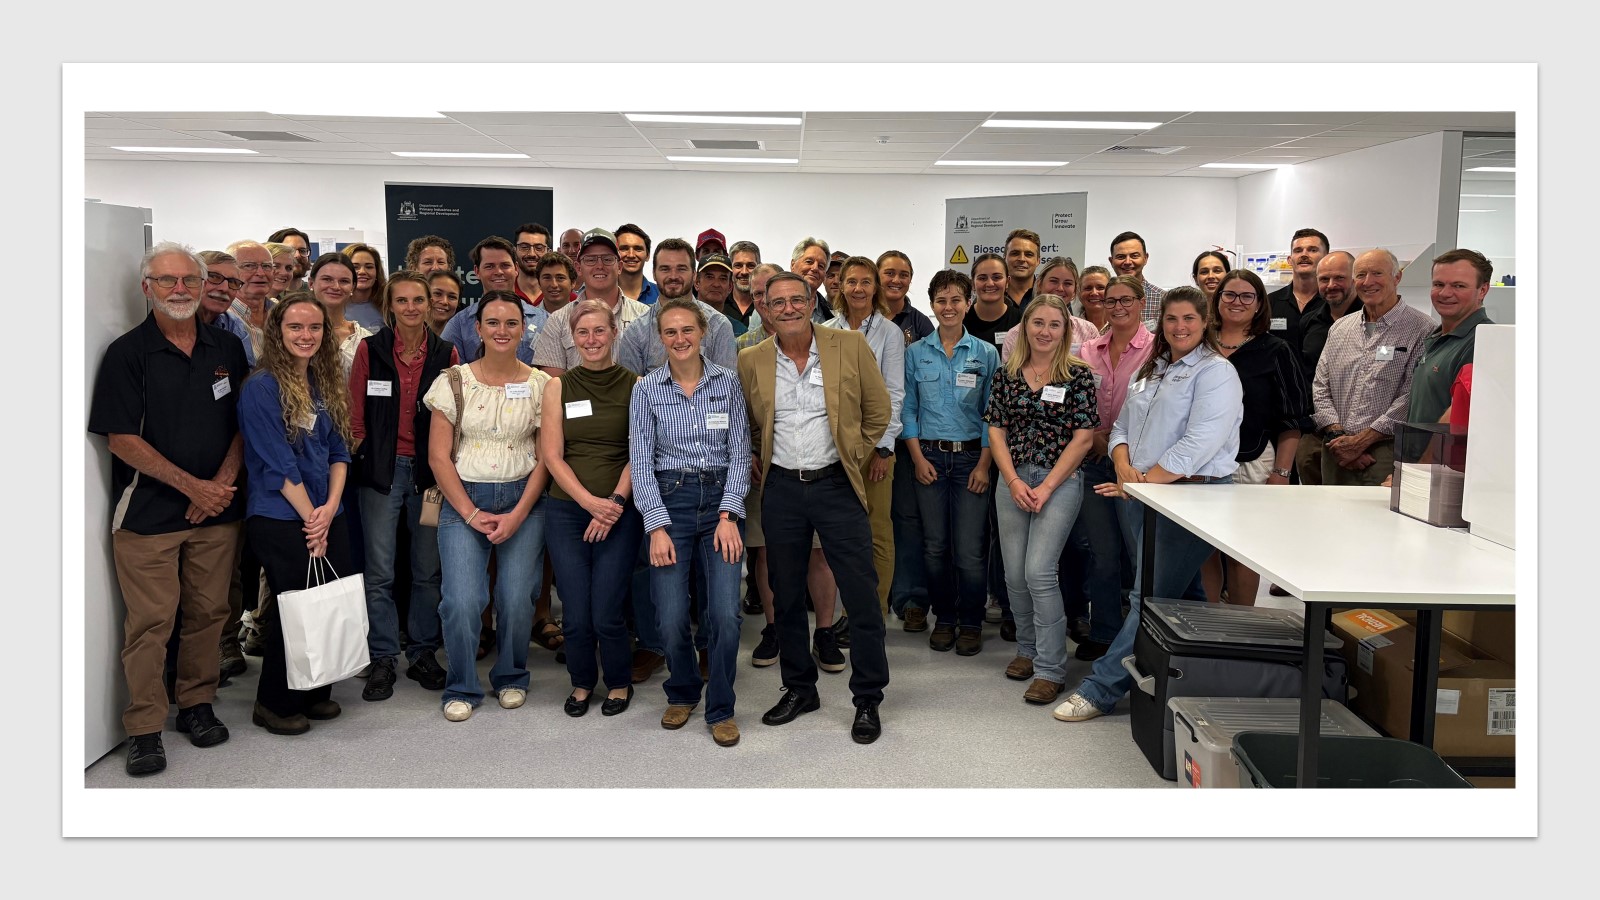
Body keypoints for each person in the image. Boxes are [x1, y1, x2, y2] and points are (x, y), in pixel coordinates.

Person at [90, 242, 249, 775]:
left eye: (188, 280)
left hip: (217, 514)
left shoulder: (225, 349)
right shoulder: (127, 353)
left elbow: (243, 424)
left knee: (208, 615)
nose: (179, 289)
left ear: (203, 285)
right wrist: (192, 488)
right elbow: (121, 440)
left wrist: (221, 484)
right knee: (152, 622)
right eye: (166, 281)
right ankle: (143, 728)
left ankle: (197, 705)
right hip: (149, 517)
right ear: (147, 288)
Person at [1054, 287, 1243, 723]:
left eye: (1189, 320)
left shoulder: (1217, 373)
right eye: (1172, 319)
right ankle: (1203, 678)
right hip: (1140, 493)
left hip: (1189, 496)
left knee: (1147, 596)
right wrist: (1122, 467)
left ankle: (1101, 689)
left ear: (1205, 323)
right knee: (1185, 594)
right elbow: (1121, 425)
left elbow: (1198, 445)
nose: (1179, 327)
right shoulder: (1154, 369)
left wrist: (1142, 486)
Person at [737, 272, 891, 744]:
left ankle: (867, 697)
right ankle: (799, 688)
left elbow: (878, 412)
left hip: (836, 486)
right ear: (764, 308)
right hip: (781, 489)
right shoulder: (751, 359)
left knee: (861, 595)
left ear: (812, 302)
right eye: (776, 302)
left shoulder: (848, 345)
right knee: (785, 597)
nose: (786, 309)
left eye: (795, 300)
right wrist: (754, 455)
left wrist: (853, 455)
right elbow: (747, 419)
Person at [423, 293, 551, 722]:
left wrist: (517, 513)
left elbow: (547, 455)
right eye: (492, 322)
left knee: (516, 598)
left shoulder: (541, 385)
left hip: (523, 499)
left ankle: (512, 675)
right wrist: (471, 513)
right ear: (477, 329)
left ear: (523, 329)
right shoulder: (454, 381)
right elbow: (439, 457)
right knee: (462, 599)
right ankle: (460, 684)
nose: (502, 330)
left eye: (511, 323)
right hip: (465, 500)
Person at [630, 298, 752, 746]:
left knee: (724, 613)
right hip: (670, 500)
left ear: (703, 333)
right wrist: (656, 525)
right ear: (660, 338)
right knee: (669, 613)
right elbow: (640, 462)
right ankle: (682, 690)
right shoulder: (646, 390)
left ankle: (720, 706)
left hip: (720, 499)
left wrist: (729, 514)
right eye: (670, 332)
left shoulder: (727, 383)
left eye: (687, 330)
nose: (680, 339)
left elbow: (740, 451)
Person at [236, 291, 356, 736]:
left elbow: (340, 451)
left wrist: (328, 511)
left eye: (314, 327)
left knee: (327, 602)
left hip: (327, 510)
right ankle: (273, 702)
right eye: (295, 327)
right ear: (277, 332)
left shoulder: (322, 383)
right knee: (296, 607)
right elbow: (278, 464)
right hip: (281, 515)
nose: (306, 335)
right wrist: (313, 518)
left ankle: (313, 691)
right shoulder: (261, 388)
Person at [984, 295, 1099, 706]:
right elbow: (995, 429)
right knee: (1013, 575)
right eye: (1038, 323)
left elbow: (1084, 438)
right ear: (1025, 327)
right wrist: (1012, 480)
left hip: (1059, 481)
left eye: (1054, 324)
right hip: (1013, 480)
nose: (1045, 331)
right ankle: (1028, 651)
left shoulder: (1079, 376)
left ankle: (1050, 669)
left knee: (1038, 572)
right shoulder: (1007, 374)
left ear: (1066, 330)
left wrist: (1047, 486)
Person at [348, 272, 459, 700]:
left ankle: (423, 651)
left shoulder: (447, 354)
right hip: (380, 472)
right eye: (402, 301)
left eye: (419, 300)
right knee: (379, 572)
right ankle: (382, 656)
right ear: (390, 306)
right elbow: (356, 415)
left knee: (427, 570)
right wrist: (363, 455)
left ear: (430, 305)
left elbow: (455, 413)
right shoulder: (370, 350)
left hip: (429, 474)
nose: (411, 308)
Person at [540, 300, 644, 717]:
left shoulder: (638, 385)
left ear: (614, 333)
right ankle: (583, 682)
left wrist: (614, 504)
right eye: (583, 333)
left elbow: (639, 452)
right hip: (567, 511)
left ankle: (618, 682)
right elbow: (552, 455)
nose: (591, 340)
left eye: (599, 331)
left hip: (621, 512)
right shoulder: (558, 387)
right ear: (572, 338)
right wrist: (588, 503)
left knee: (606, 610)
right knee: (577, 612)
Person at [900, 269, 999, 649]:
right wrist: (916, 457)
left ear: (968, 303)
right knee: (935, 546)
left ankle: (970, 621)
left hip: (971, 460)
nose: (949, 307)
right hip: (927, 458)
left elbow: (994, 414)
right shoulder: (915, 353)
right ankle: (943, 617)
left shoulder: (985, 354)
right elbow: (908, 409)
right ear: (932, 305)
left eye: (956, 299)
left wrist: (984, 465)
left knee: (971, 549)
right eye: (941, 300)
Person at [1199, 269, 1308, 606]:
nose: (1237, 302)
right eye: (1229, 295)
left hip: (1251, 460)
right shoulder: (1198, 344)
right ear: (1217, 301)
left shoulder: (1275, 350)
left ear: (1260, 304)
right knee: (1204, 549)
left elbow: (1292, 419)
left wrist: (1282, 473)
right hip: (1197, 462)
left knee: (1241, 550)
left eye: (1247, 296)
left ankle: (1241, 626)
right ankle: (1210, 622)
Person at [1069, 275, 1156, 659]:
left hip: (1136, 467)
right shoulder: (1088, 350)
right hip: (1091, 461)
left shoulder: (1157, 349)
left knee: (1137, 552)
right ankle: (1104, 631)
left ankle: (1145, 636)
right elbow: (1072, 399)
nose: (1118, 306)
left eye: (1126, 300)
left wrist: (1115, 442)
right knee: (1101, 552)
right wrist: (1096, 438)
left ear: (1141, 303)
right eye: (1111, 300)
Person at [1311, 249, 1434, 486]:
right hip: (1335, 450)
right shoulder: (1340, 328)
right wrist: (1340, 438)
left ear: (1397, 278)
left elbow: (1410, 396)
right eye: (1361, 275)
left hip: (1383, 453)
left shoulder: (1422, 329)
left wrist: (1361, 442)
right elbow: (1320, 386)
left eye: (1377, 273)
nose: (1368, 282)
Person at [824, 256, 905, 616]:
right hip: (835, 447)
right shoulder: (826, 329)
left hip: (875, 448)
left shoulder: (888, 332)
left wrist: (884, 448)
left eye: (866, 282)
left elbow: (894, 393)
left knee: (877, 533)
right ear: (840, 286)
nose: (858, 288)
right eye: (851, 281)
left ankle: (874, 612)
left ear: (876, 288)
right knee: (841, 536)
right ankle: (846, 612)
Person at [963, 251, 1021, 640]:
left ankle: (1005, 599)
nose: (989, 283)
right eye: (982, 277)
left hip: (1014, 440)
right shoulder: (961, 321)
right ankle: (983, 597)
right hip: (977, 439)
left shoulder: (1022, 322)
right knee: (977, 528)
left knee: (1005, 528)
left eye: (996, 277)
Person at [876, 250, 935, 622]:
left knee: (906, 520)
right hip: (865, 437)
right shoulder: (862, 319)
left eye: (903, 274)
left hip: (905, 438)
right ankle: (872, 598)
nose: (895, 280)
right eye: (889, 273)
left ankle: (910, 598)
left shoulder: (921, 325)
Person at [532, 228, 649, 376]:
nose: (599, 266)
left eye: (607, 259)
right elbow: (553, 385)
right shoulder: (558, 320)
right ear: (579, 268)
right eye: (590, 259)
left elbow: (655, 378)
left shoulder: (644, 316)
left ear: (619, 266)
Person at [1296, 251, 1359, 483]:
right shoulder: (1310, 321)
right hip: (1317, 430)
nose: (1331, 285)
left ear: (1354, 278)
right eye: (1324, 279)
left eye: (1339, 278)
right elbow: (1305, 374)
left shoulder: (1371, 318)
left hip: (1360, 434)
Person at [442, 237, 545, 364]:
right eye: (489, 266)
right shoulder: (458, 325)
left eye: (505, 265)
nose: (498, 272)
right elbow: (452, 378)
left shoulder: (544, 321)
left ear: (516, 269)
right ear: (477, 271)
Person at [999, 258, 1098, 363]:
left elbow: (1096, 373)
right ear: (1040, 284)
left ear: (1074, 291)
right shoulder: (1015, 335)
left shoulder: (1088, 332)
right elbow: (1008, 376)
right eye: (1053, 281)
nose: (1060, 288)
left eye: (1068, 283)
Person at [1265, 228, 1329, 360]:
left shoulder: (1334, 303)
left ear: (1326, 258)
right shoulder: (1269, 302)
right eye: (1298, 250)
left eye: (1313, 250)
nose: (1304, 255)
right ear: (1289, 259)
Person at [306, 252, 373, 376]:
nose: (336, 287)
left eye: (344, 281)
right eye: (327, 279)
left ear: (353, 287)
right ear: (311, 283)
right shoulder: (296, 334)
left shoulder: (365, 339)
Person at [196, 250, 255, 367]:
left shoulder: (233, 325)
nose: (224, 288)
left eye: (233, 282)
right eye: (214, 277)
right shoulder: (172, 321)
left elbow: (246, 376)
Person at [1108, 231, 1164, 327]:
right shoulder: (1103, 298)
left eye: (1134, 256)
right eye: (1121, 257)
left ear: (1145, 258)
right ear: (1111, 261)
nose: (1128, 262)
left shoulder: (1162, 299)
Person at [694, 253, 743, 337]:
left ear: (730, 287)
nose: (716, 284)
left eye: (722, 278)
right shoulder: (680, 321)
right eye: (709, 277)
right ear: (697, 283)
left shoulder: (739, 330)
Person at [341, 243, 388, 331]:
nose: (362, 271)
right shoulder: (333, 307)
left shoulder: (388, 306)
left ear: (377, 272)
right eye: (355, 267)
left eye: (369, 267)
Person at [788, 237, 834, 325]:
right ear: (793, 265)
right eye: (809, 261)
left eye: (821, 266)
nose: (815, 268)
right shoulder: (770, 305)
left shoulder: (832, 315)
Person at [615, 223, 660, 305]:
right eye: (624, 249)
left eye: (638, 249)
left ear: (648, 255)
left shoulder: (661, 295)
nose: (631, 255)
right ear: (614, 254)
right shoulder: (603, 294)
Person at [512, 223, 553, 304]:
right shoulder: (503, 295)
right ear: (514, 251)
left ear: (549, 253)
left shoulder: (566, 297)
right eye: (524, 247)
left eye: (539, 248)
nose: (531, 254)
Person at [727, 240, 762, 331]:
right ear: (730, 268)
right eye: (738, 265)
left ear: (759, 268)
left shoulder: (766, 305)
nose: (744, 272)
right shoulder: (720, 304)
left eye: (750, 266)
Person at [1004, 228, 1042, 308]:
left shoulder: (1049, 295)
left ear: (1038, 260)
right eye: (1015, 253)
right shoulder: (992, 294)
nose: (1021, 259)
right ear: (1004, 258)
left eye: (1028, 254)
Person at [267, 227, 311, 292]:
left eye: (302, 251)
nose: (297, 255)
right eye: (291, 250)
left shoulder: (316, 295)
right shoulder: (260, 294)